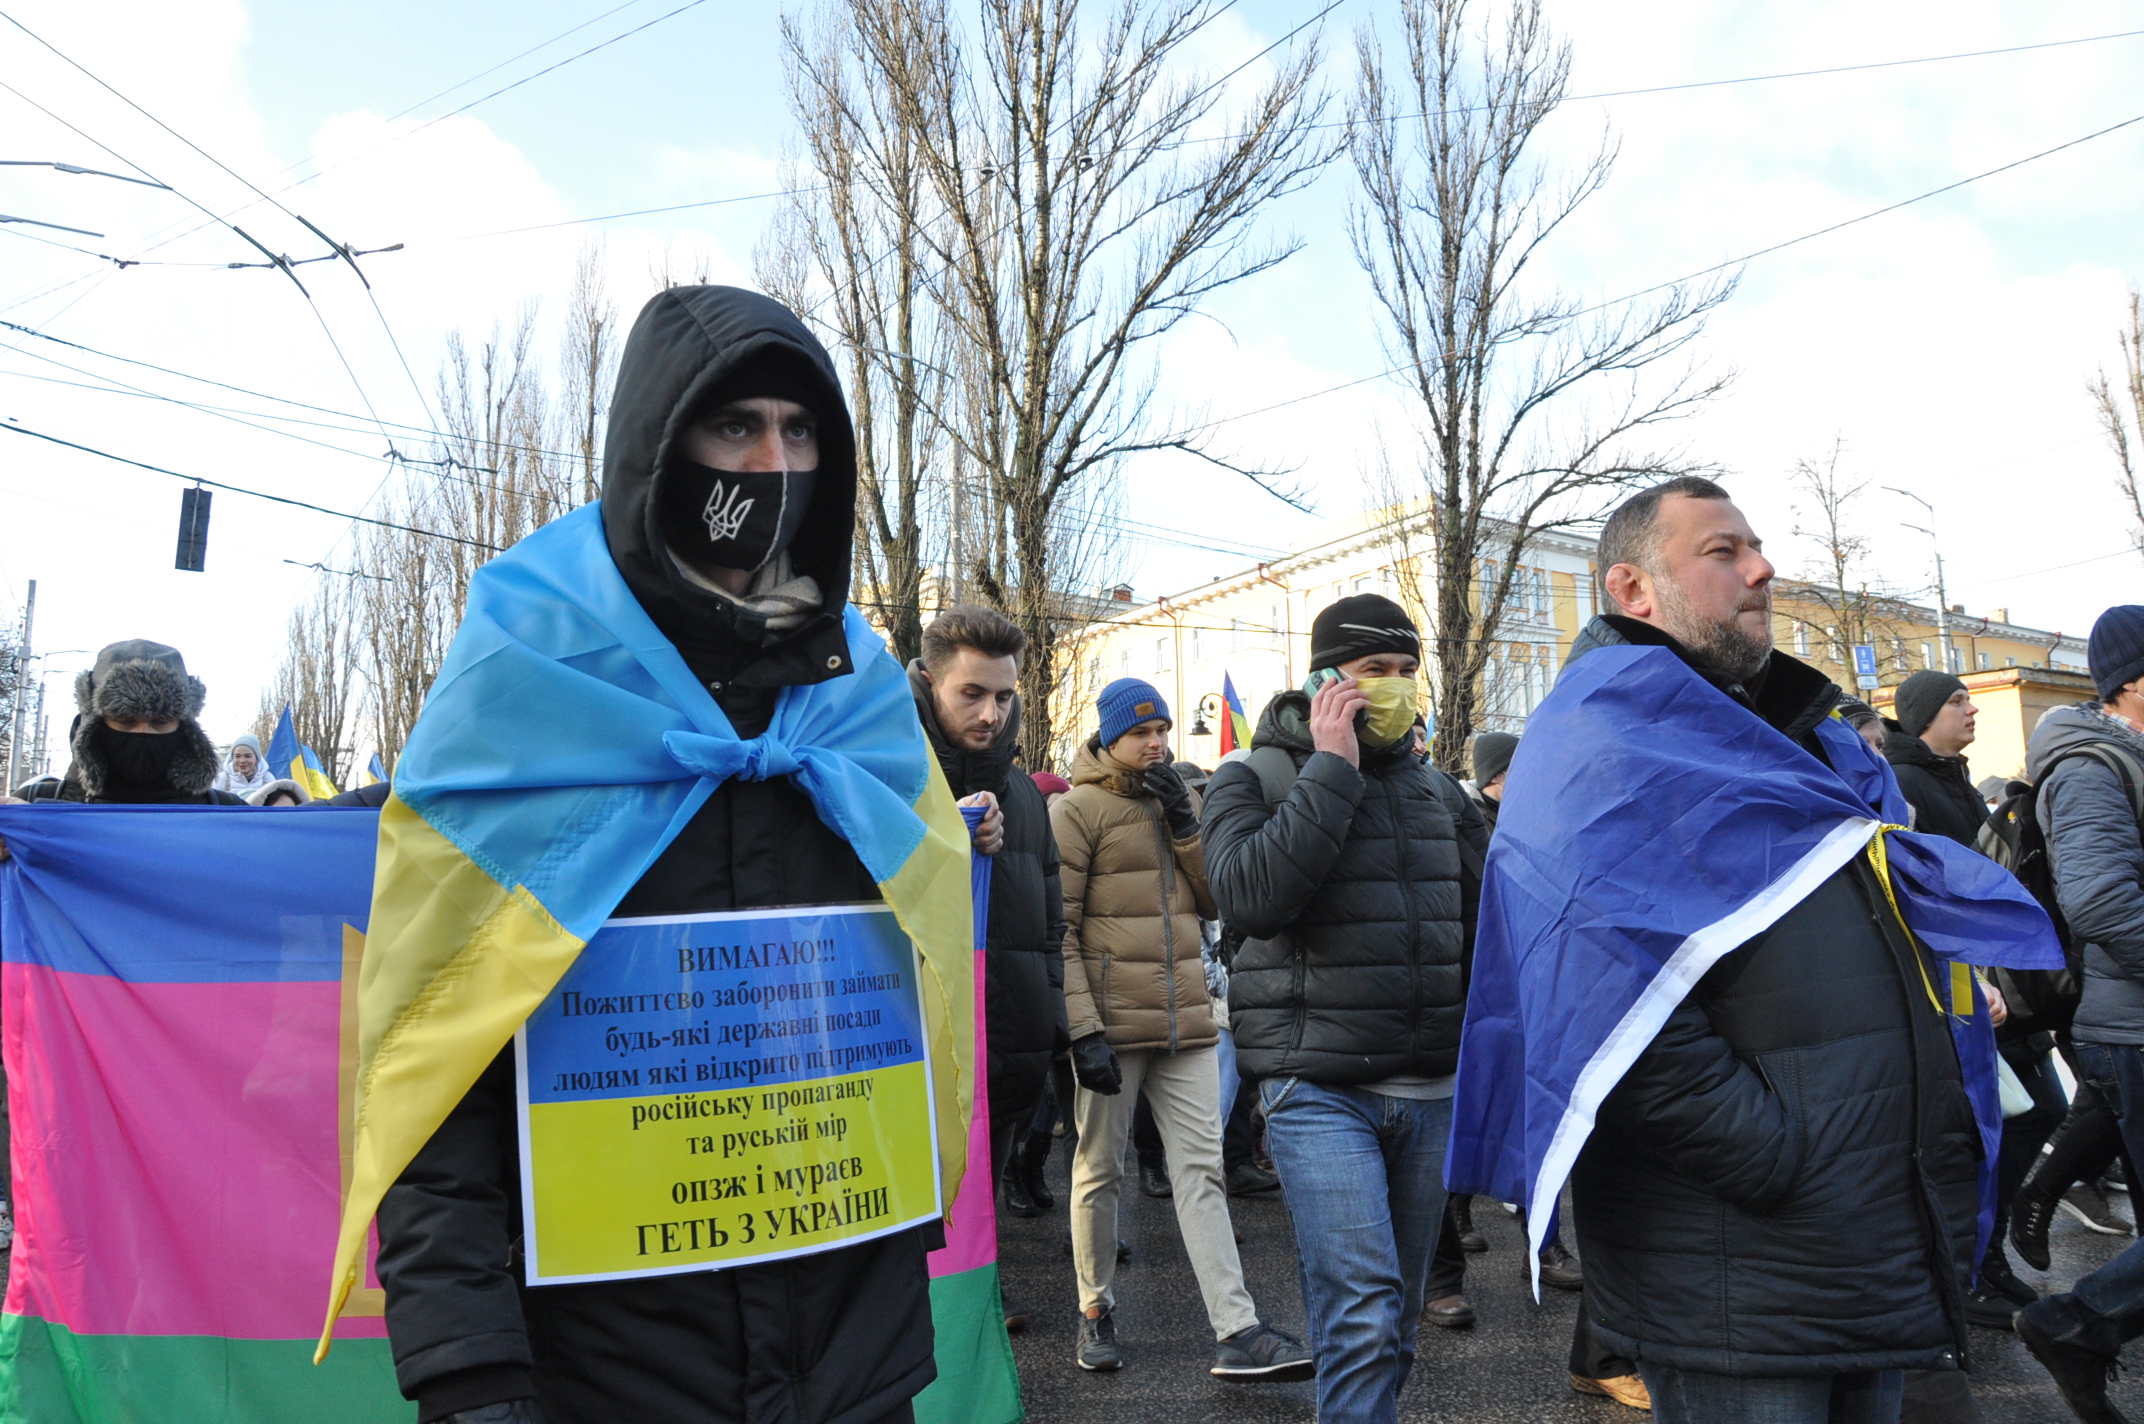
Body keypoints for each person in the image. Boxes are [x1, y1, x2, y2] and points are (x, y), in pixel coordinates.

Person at [366, 286, 953, 1424]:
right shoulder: (522, 683)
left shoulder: (864, 702)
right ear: (656, 446)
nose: (773, 463)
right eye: (735, 426)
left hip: (851, 1356)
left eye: (801, 431)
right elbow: (433, 1050)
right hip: (609, 1370)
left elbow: (915, 1007)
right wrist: (465, 1364)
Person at [1446, 477, 2060, 1424]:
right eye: (1722, 551)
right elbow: (1598, 999)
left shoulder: (1798, 737)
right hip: (1744, 1252)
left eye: (1756, 546)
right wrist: (1776, 1155)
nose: (1762, 569)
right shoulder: (1599, 747)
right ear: (1631, 589)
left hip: (1869, 1226)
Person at [1201, 595, 1487, 1424]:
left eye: (1405, 671)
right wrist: (1331, 769)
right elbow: (1250, 899)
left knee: (1395, 1324)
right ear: (1325, 679)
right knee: (1362, 1311)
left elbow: (1489, 928)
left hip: (1430, 1088)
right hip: (1317, 1085)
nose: (1393, 687)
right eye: (1373, 671)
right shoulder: (1252, 776)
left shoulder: (1440, 793)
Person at [1053, 676, 1310, 1380]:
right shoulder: (1075, 810)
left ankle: (1237, 1328)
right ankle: (1095, 1308)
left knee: (1202, 1172)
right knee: (1099, 1170)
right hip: (1111, 1027)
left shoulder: (1179, 803)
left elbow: (1217, 901)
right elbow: (1058, 931)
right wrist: (1082, 1030)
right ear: (1110, 737)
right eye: (1141, 733)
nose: (1157, 744)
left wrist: (1186, 827)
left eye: (1162, 730)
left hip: (1187, 1023)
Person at [908, 602, 1068, 1323]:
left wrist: (1052, 1025)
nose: (990, 714)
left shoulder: (1024, 796)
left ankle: (972, 1317)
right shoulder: (880, 777)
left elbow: (1048, 925)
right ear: (928, 682)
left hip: (1003, 1059)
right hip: (910, 1065)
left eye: (1003, 696)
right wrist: (945, 839)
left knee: (975, 1226)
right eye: (970, 693)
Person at [2015, 605, 2144, 1424]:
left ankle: (2079, 1326)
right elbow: (2100, 902)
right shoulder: (2093, 768)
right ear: (2133, 683)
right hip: (2133, 1030)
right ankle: (2076, 1324)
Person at [35, 640, 247, 805]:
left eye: (161, 721)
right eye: (125, 720)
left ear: (185, 728)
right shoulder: (34, 804)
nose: (143, 731)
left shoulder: (228, 814)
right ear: (94, 726)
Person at [1883, 671, 1989, 845]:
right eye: (1957, 701)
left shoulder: (1957, 778)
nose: (1972, 709)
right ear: (1924, 717)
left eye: (1968, 700)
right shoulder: (1901, 783)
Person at [215, 733, 276, 798]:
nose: (242, 761)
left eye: (247, 756)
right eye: (237, 756)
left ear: (257, 759)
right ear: (233, 758)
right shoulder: (223, 778)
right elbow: (213, 801)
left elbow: (275, 801)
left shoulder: (267, 778)